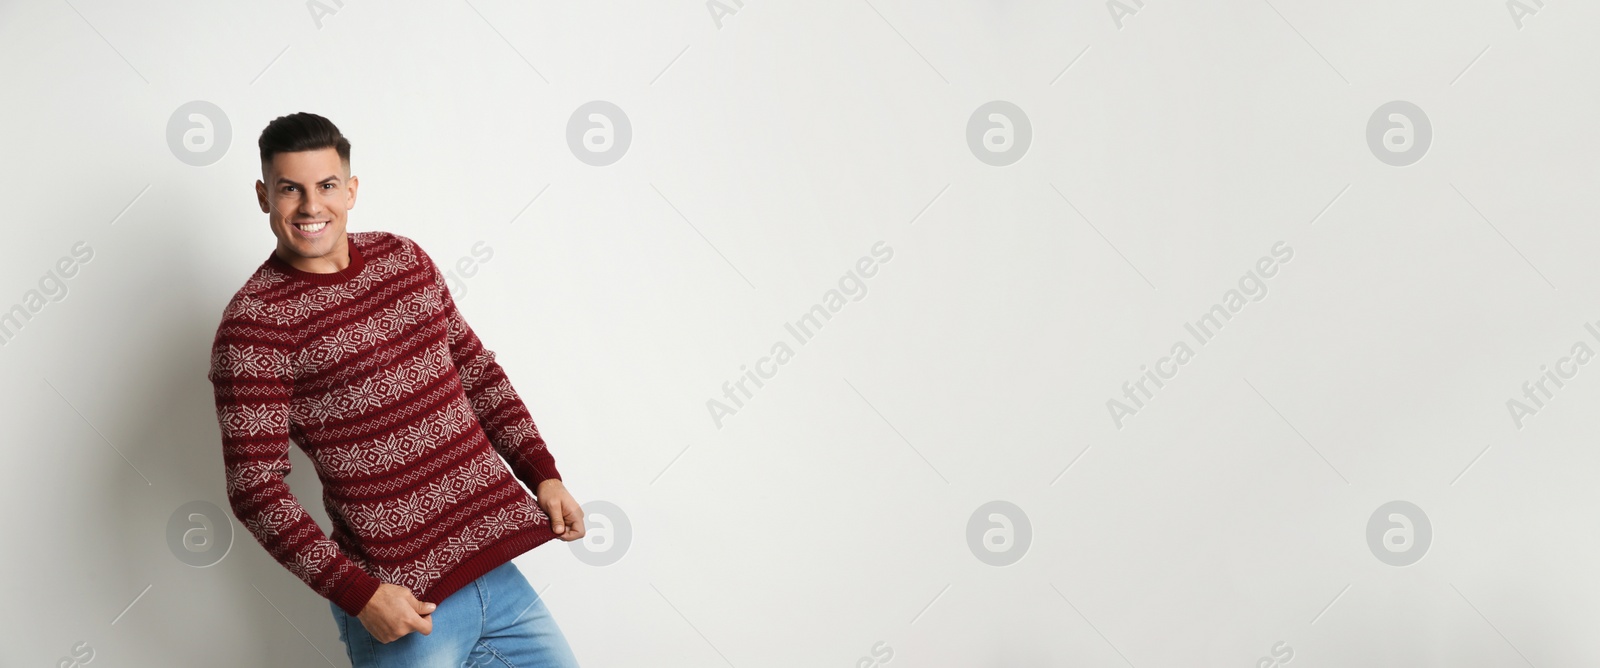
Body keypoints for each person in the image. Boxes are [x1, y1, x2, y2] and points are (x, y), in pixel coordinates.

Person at [206, 112, 585, 667]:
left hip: (496, 575)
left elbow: (477, 373)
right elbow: (255, 487)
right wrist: (361, 596)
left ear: (352, 189)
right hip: (400, 604)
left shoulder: (402, 259)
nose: (312, 207)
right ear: (264, 196)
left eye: (327, 186)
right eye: (291, 190)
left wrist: (542, 473)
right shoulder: (254, 325)